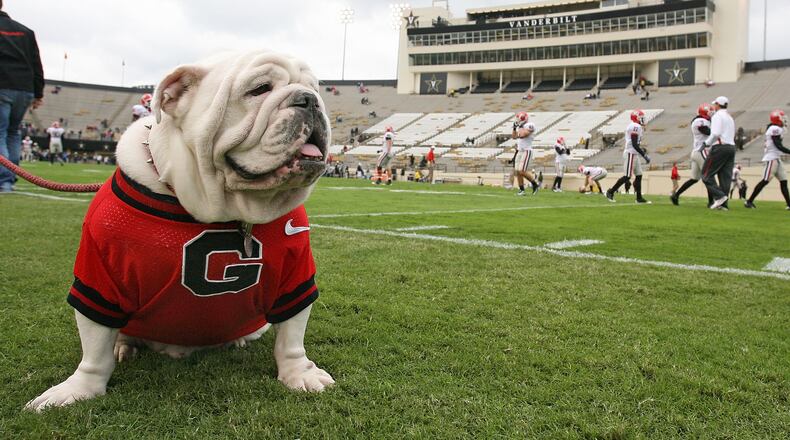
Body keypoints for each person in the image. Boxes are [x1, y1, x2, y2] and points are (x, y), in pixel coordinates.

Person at [0, 1, 44, 192]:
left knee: (1, 132)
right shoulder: (26, 31)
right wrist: (38, 92)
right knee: (13, 132)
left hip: (3, 86)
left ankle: (4, 179)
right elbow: (36, 64)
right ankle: (9, 177)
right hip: (24, 88)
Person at [745, 109, 790, 209]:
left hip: (776, 158)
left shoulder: (775, 128)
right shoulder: (774, 128)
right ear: (778, 119)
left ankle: (789, 204)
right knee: (765, 180)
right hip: (771, 159)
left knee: (784, 181)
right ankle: (749, 201)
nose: (784, 120)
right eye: (782, 118)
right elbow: (778, 145)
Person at [671, 103, 713, 206]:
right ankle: (711, 202)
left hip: (696, 152)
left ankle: (676, 195)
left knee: (694, 179)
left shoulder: (701, 120)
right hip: (701, 152)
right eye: (710, 112)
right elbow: (708, 132)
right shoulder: (700, 121)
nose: (712, 115)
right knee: (708, 177)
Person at [605, 109, 651, 203]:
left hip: (634, 153)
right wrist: (644, 155)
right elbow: (634, 144)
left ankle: (639, 198)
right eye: (641, 118)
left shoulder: (636, 126)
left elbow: (635, 143)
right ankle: (611, 191)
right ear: (636, 118)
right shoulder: (635, 126)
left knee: (639, 175)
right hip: (630, 153)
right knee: (627, 176)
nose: (643, 120)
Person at [701, 96, 736, 210]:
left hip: (720, 147)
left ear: (717, 104)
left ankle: (720, 197)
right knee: (725, 177)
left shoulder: (717, 116)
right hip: (731, 147)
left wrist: (706, 143)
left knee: (706, 175)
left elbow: (715, 133)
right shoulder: (729, 117)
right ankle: (723, 205)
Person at [511, 111, 540, 196]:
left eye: (519, 119)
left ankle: (535, 184)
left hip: (527, 150)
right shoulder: (521, 126)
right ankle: (522, 190)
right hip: (520, 150)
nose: (517, 120)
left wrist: (519, 127)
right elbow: (514, 137)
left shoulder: (530, 125)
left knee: (522, 171)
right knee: (517, 171)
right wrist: (514, 128)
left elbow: (523, 135)